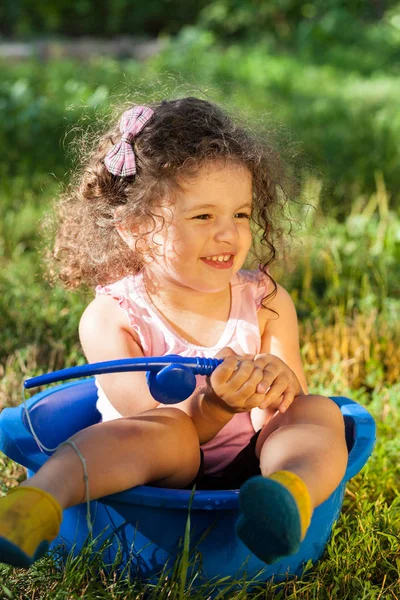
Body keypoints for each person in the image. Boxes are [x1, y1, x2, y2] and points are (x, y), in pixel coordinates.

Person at [0, 97, 348, 568]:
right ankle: (38, 503)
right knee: (162, 431)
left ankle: (288, 495)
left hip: (255, 463)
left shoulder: (264, 301)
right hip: (156, 468)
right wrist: (218, 404)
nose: (229, 234)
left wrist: (274, 383)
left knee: (314, 410)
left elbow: (283, 407)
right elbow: (155, 423)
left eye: (240, 214)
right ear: (136, 228)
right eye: (204, 216)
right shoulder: (114, 315)